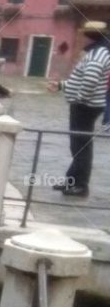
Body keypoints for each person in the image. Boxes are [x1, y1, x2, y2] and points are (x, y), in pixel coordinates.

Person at [48, 20, 110, 198]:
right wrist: (60, 85)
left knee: (81, 146)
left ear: (90, 36)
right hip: (86, 105)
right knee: (78, 146)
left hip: (85, 106)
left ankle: (81, 186)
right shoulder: (97, 51)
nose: (82, 37)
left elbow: (90, 80)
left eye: (84, 34)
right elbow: (80, 79)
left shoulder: (98, 54)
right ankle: (71, 181)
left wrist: (79, 98)